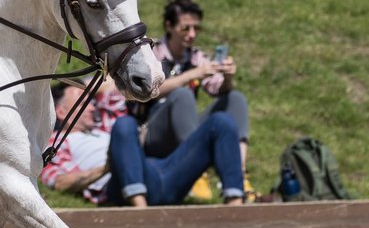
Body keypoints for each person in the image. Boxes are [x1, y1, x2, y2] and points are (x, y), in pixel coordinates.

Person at [41, 84, 247, 207]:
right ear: (60, 112)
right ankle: (140, 208)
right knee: (125, 124)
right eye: (83, 102)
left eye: (91, 101)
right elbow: (59, 182)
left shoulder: (103, 124)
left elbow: (112, 86)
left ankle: (235, 203)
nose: (92, 106)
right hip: (117, 183)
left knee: (221, 121)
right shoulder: (57, 143)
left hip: (155, 170)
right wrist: (107, 168)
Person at [134, 0, 254, 191]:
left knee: (235, 98)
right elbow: (147, 92)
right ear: (169, 26)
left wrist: (228, 77)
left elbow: (218, 89)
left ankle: (239, 173)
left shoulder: (196, 56)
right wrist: (192, 75)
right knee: (183, 95)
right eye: (185, 28)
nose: (191, 34)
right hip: (152, 133)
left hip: (183, 131)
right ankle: (198, 173)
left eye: (196, 28)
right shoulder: (151, 52)